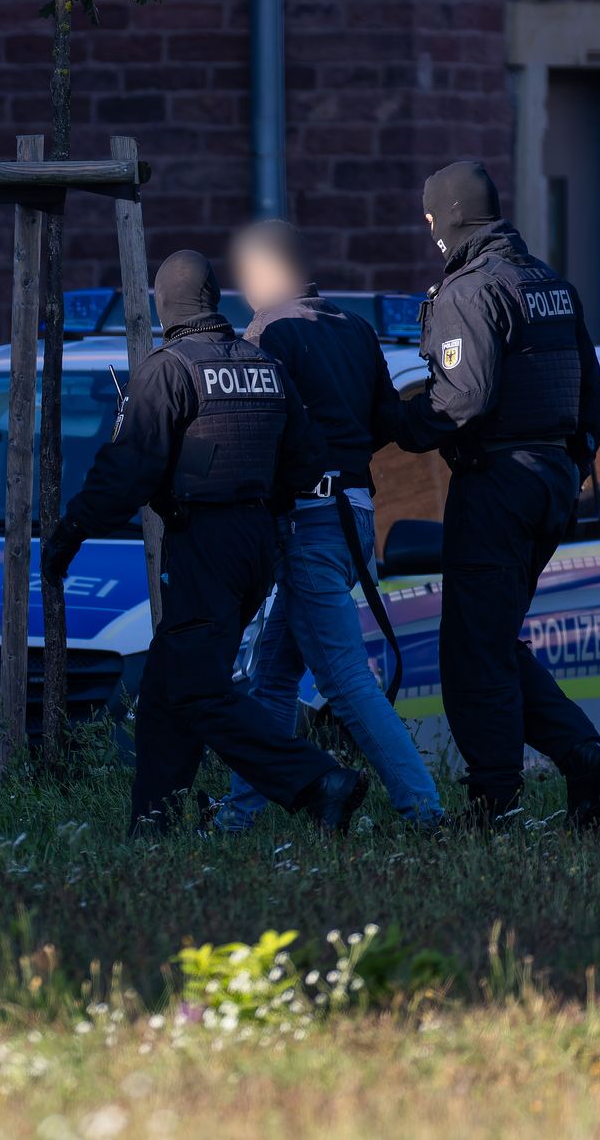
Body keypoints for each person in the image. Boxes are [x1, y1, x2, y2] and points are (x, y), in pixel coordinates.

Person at [43, 251, 368, 835]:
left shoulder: (169, 370)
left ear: (165, 304)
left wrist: (70, 534)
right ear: (213, 299)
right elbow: (306, 461)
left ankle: (318, 780)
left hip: (204, 545)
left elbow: (124, 473)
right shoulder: (265, 365)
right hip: (258, 544)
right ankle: (154, 822)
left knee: (197, 690)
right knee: (167, 687)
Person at [383, 161, 600, 831]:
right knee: (490, 638)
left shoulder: (470, 290)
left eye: (431, 216)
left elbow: (462, 400)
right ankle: (583, 756)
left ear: (452, 215)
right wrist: (570, 466)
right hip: (550, 481)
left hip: (498, 483)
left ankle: (494, 801)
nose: (428, 228)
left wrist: (395, 424)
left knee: (472, 651)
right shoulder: (550, 285)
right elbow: (590, 396)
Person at [216, 221, 446, 832]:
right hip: (355, 516)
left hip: (309, 522)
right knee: (271, 680)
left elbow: (258, 428)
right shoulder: (354, 327)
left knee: (344, 681)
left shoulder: (271, 331)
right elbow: (385, 422)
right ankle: (238, 819)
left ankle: (425, 812)